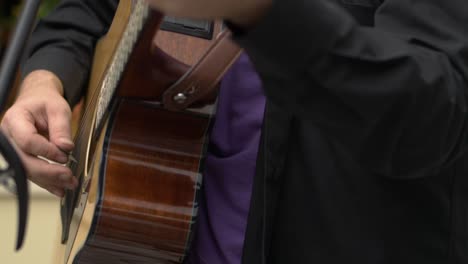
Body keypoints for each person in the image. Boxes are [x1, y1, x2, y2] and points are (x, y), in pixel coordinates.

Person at [2, 0, 468, 263]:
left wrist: (265, 14)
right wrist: (46, 80)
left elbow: (433, 117)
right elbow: (90, 10)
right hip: (140, 239)